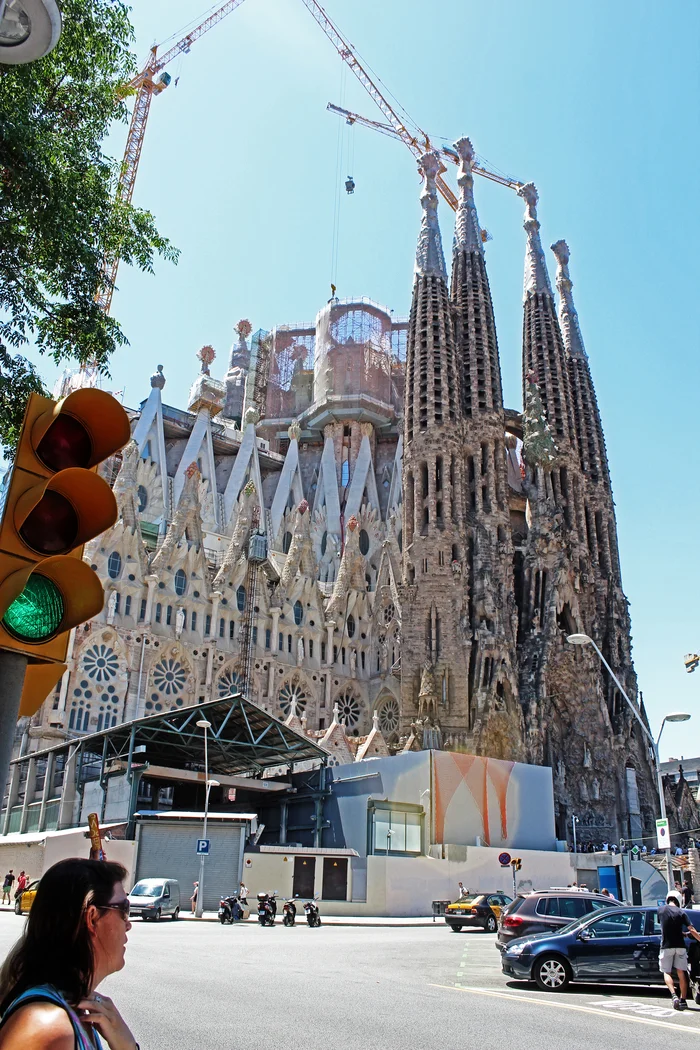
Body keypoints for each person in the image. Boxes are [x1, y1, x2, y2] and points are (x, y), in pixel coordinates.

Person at [0, 857, 138, 1049]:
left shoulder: (70, 1011)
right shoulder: (49, 1028)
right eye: (124, 909)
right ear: (92, 917)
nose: (128, 924)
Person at [658, 889, 700, 1010]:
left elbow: (664, 926)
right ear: (678, 900)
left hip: (666, 946)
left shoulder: (661, 910)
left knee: (667, 972)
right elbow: (691, 929)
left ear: (668, 899)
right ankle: (683, 1000)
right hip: (680, 946)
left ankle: (673, 996)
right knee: (682, 972)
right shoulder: (681, 912)